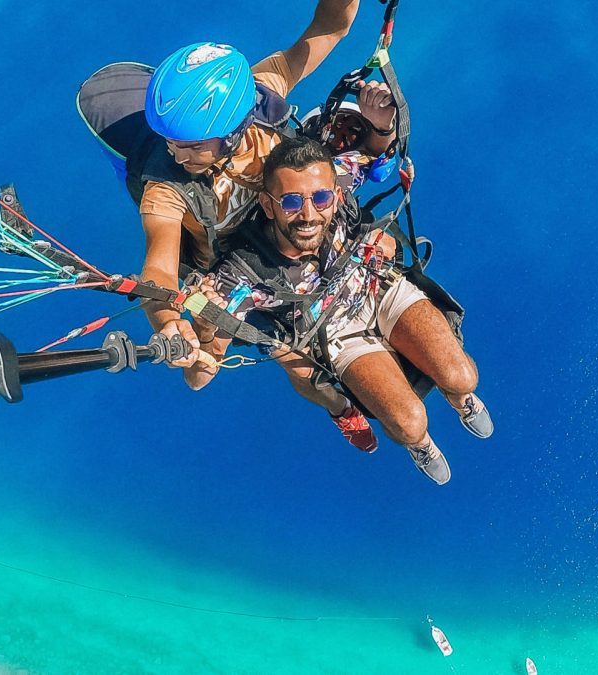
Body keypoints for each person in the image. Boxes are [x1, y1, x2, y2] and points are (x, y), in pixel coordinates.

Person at [77, 1, 397, 451]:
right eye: (168, 141)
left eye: (188, 145)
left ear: (232, 132)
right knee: (288, 360)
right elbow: (159, 267)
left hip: (289, 227)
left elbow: (329, 27)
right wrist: (168, 322)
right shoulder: (165, 189)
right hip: (237, 271)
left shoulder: (259, 95)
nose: (174, 155)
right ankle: (339, 409)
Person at [184, 137, 493, 484]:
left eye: (320, 198)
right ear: (268, 206)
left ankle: (461, 397)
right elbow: (198, 378)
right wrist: (205, 324)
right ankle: (420, 444)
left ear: (336, 195)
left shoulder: (340, 179)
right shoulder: (241, 274)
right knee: (409, 424)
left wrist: (384, 126)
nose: (308, 215)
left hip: (379, 290)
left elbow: (379, 151)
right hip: (336, 335)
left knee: (461, 377)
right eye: (290, 201)